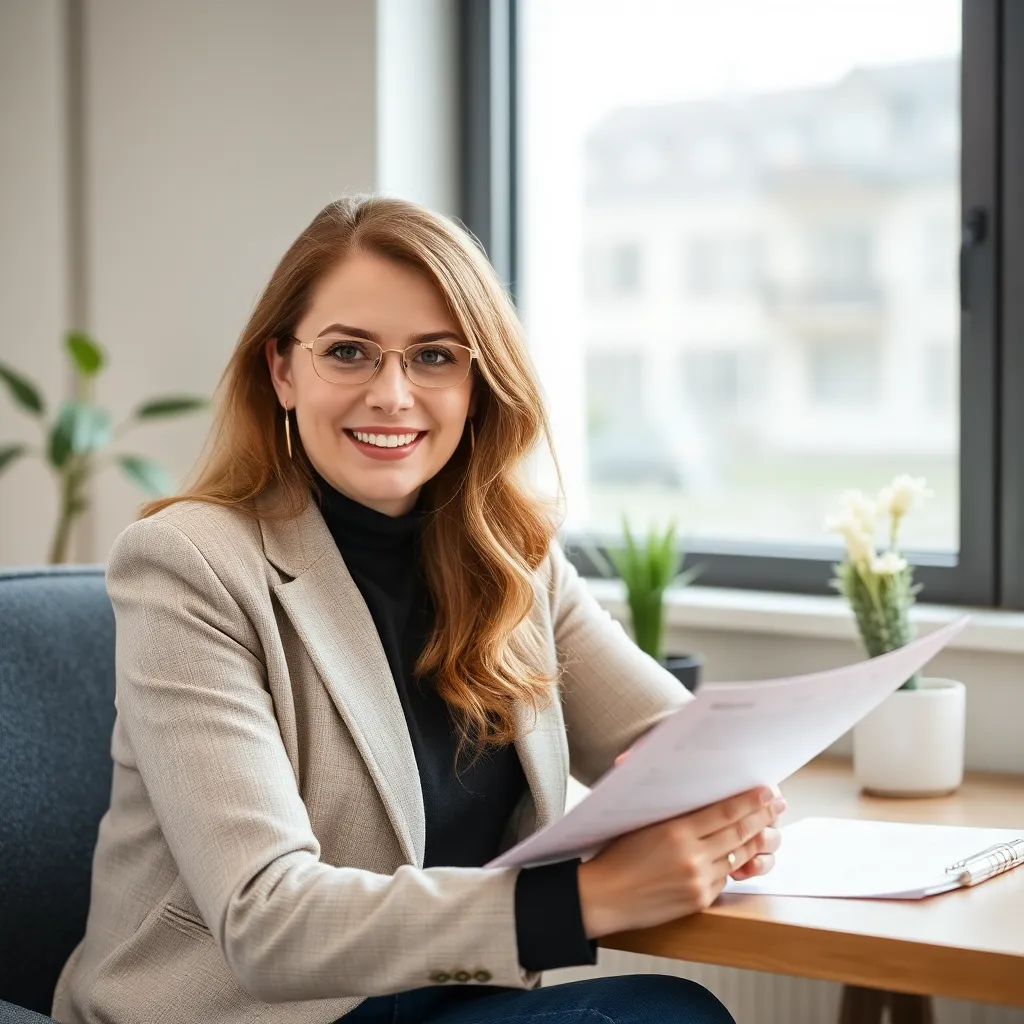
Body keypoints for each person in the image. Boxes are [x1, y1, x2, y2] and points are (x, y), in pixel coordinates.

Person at [52, 196, 783, 1024]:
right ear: (283, 371)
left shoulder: (515, 554)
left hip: (438, 1000)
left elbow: (679, 746)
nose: (393, 393)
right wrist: (585, 899)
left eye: (434, 355)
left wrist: (727, 805)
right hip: (251, 1014)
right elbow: (266, 920)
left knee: (667, 1013)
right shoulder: (190, 565)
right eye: (349, 352)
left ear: (477, 383)